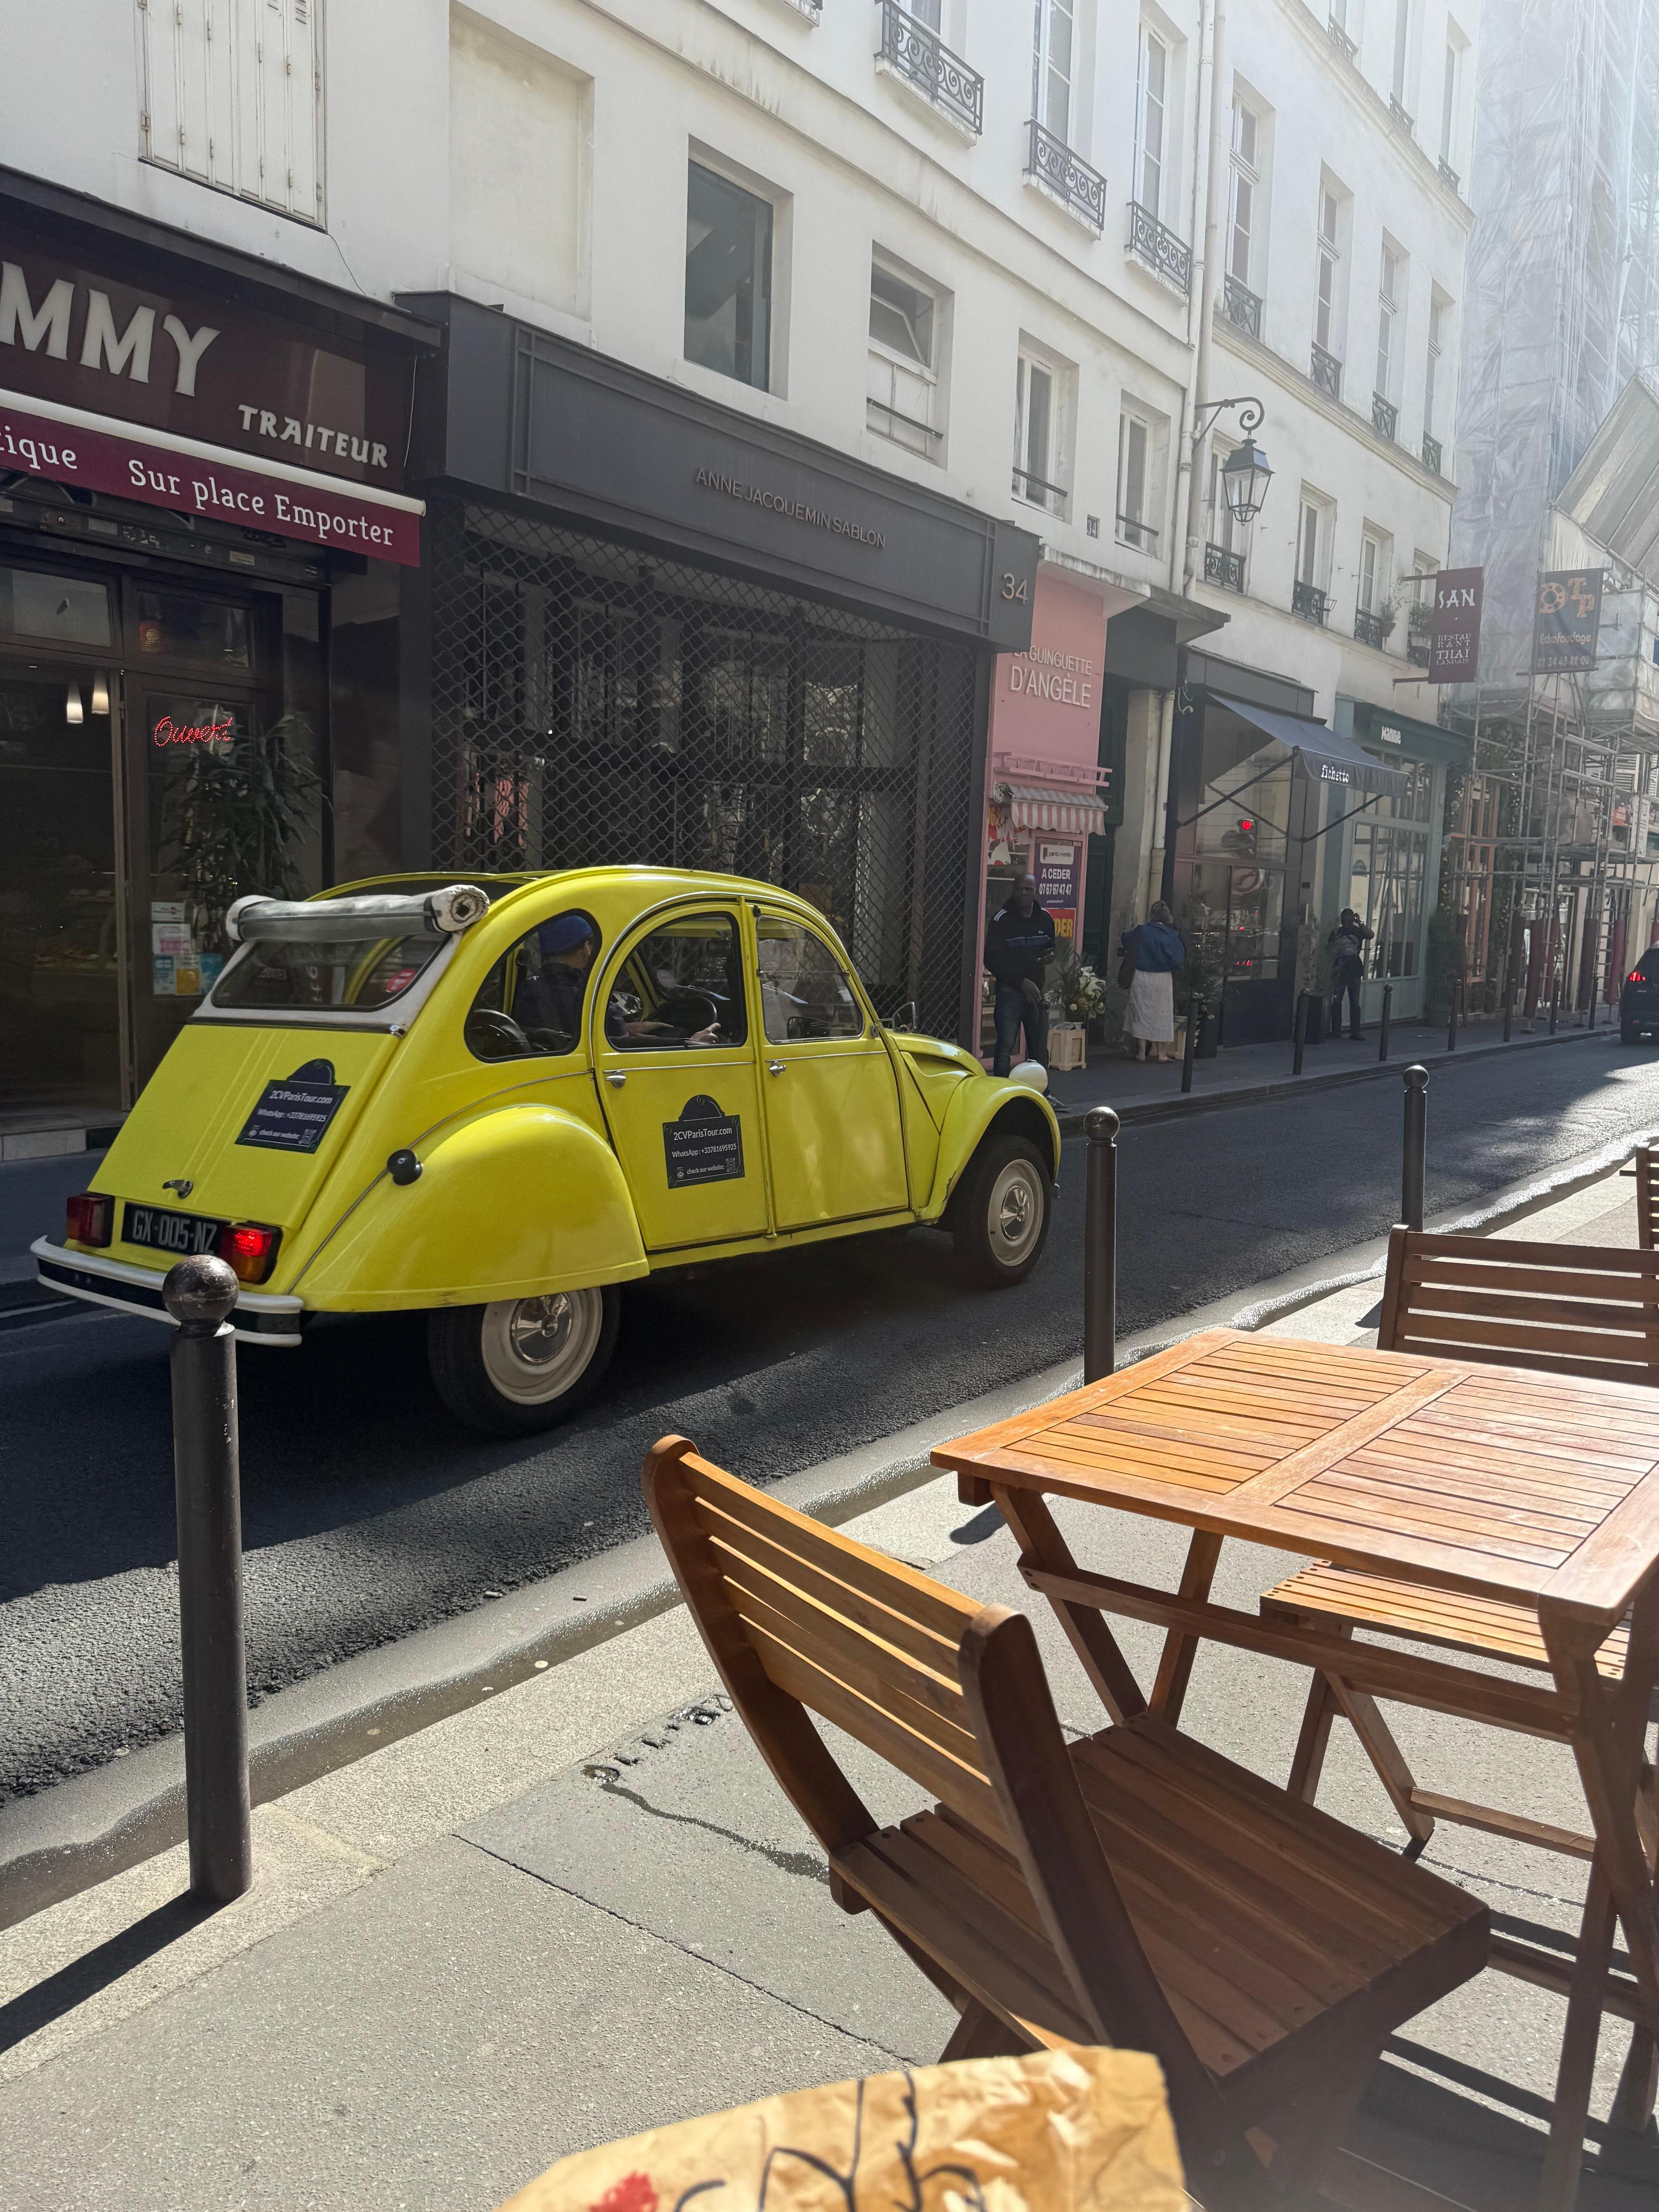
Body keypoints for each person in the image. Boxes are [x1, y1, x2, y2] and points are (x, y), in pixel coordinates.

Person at [984, 872, 1055, 1076]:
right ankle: (1001, 1093)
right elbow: (992, 960)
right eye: (1020, 889)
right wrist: (1020, 982)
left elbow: (1051, 948)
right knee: (1006, 1046)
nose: (1024, 893)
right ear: (1014, 891)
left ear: (1036, 892)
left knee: (1038, 1046)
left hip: (1036, 992)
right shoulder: (1002, 920)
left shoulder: (1045, 918)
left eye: (1029, 889)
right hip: (1010, 992)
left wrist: (1049, 957)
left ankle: (1042, 1094)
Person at [1119, 901, 1186, 1062]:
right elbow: (1179, 960)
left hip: (1142, 976)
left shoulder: (1142, 932)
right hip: (1162, 978)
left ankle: (1142, 1052)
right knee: (1162, 1015)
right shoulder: (1171, 935)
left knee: (1141, 1012)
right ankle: (1161, 1053)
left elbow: (1126, 939)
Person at [1326, 907, 1374, 1042]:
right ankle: (1342, 1031)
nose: (1346, 920)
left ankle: (1351, 1031)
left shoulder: (1357, 932)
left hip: (1351, 969)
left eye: (1348, 918)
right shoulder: (1337, 933)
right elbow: (1329, 950)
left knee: (1350, 1001)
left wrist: (1360, 923)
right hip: (1342, 969)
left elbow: (1370, 935)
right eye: (1345, 918)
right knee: (1340, 1001)